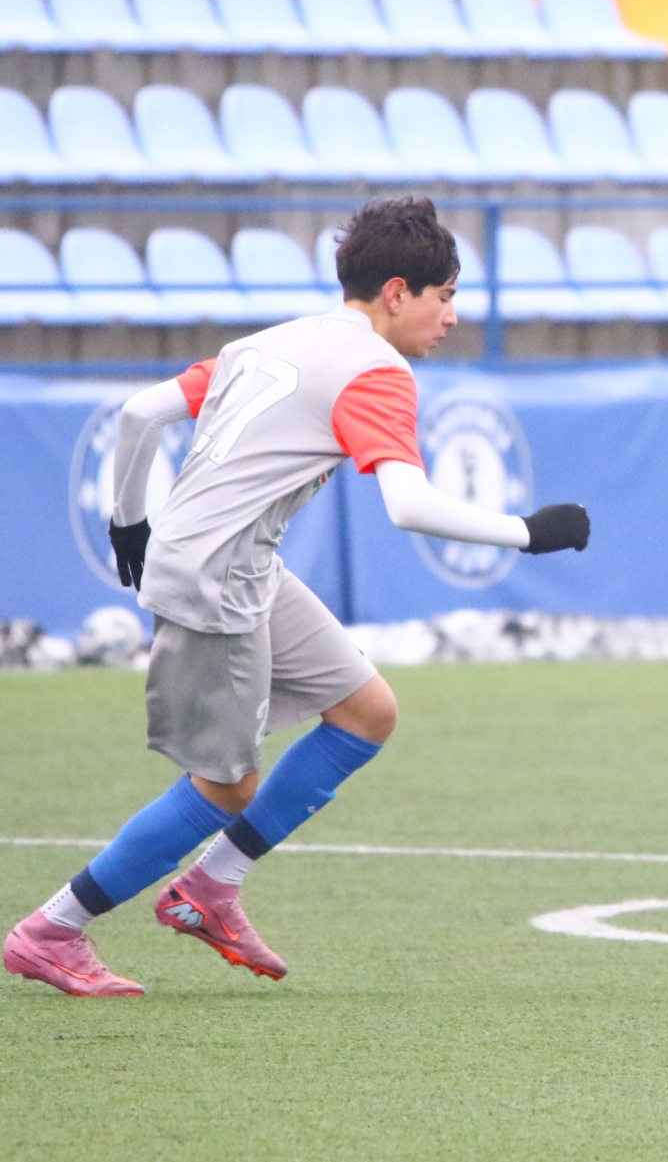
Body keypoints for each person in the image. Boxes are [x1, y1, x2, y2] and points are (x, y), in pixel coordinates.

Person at [4, 197, 591, 997]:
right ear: (396, 292)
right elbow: (408, 505)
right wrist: (528, 532)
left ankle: (210, 886)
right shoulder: (377, 369)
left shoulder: (273, 340)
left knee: (367, 710)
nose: (453, 316)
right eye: (446, 296)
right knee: (226, 785)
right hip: (217, 576)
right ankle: (52, 929)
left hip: (237, 560)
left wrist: (129, 522)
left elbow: (140, 413)